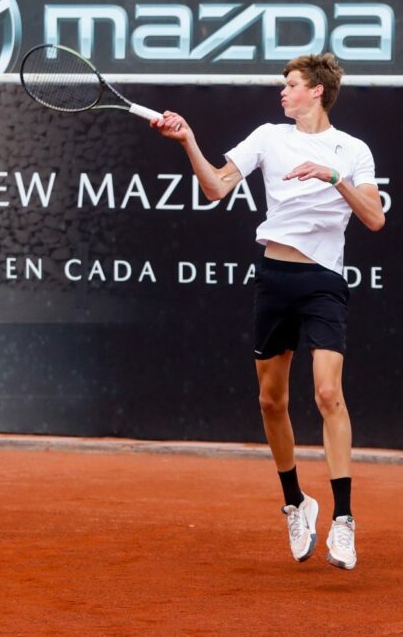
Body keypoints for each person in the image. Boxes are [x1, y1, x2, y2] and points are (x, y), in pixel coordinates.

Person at [153, 53, 384, 570]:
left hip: (324, 281)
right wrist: (189, 139)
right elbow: (215, 187)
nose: (283, 93)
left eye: (292, 85)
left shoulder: (352, 150)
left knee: (328, 392)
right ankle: (296, 503)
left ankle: (343, 520)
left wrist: (333, 177)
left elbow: (374, 218)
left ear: (317, 92)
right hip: (275, 279)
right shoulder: (267, 137)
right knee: (270, 401)